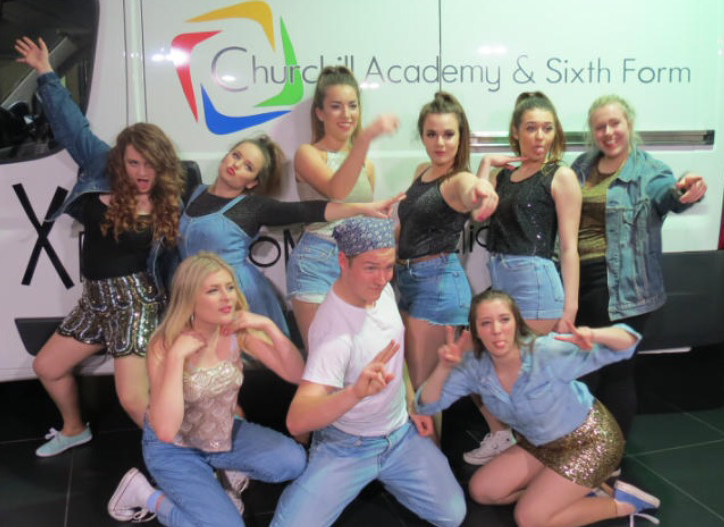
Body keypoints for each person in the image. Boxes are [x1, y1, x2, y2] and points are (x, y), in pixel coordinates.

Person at [15, 36, 183, 457]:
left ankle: (186, 463)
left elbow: (191, 253)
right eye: (134, 162)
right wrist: (45, 72)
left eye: (150, 164)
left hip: (135, 303)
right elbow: (73, 127)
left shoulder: (169, 200)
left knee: (132, 398)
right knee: (47, 366)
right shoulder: (101, 165)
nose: (141, 172)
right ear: (120, 160)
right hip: (95, 300)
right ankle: (74, 429)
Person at [272, 217, 466, 527]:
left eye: (388, 267)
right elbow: (297, 421)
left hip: (399, 436)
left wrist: (409, 403)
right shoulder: (333, 333)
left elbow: (394, 353)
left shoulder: (380, 291)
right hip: (348, 446)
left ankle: (391, 474)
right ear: (342, 261)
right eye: (371, 268)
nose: (382, 278)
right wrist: (354, 393)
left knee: (452, 515)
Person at [417, 290, 660, 527]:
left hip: (590, 441)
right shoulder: (475, 367)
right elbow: (427, 404)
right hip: (540, 444)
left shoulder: (544, 352)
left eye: (504, 319)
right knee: (482, 491)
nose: (497, 330)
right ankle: (566, 492)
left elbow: (628, 342)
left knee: (530, 518)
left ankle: (625, 504)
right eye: (486, 323)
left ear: (516, 322)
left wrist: (593, 334)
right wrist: (443, 368)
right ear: (476, 331)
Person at [107, 253, 306, 526]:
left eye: (229, 287)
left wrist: (268, 326)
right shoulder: (165, 343)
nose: (227, 297)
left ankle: (219, 478)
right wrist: (176, 358)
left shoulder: (236, 331)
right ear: (189, 299)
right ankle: (146, 496)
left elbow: (296, 374)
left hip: (221, 434)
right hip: (174, 449)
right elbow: (165, 429)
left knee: (293, 461)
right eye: (213, 290)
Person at [572, 94, 706, 442]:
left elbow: (669, 194)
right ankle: (588, 451)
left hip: (621, 287)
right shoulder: (581, 167)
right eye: (600, 127)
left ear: (629, 124)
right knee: (581, 369)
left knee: (614, 370)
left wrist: (685, 188)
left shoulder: (650, 171)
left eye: (614, 123)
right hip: (576, 281)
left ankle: (609, 454)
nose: (608, 132)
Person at [180, 133, 403, 338]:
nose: (236, 165)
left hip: (235, 295)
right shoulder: (195, 191)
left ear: (252, 182)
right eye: (236, 156)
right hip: (191, 291)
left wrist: (362, 208)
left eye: (248, 167)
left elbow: (308, 210)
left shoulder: (252, 207)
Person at [462, 92, 582, 465]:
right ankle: (506, 438)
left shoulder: (560, 175)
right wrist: (484, 167)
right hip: (502, 283)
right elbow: (477, 215)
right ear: (515, 132)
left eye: (547, 128)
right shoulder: (504, 177)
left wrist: (570, 308)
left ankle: (563, 456)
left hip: (536, 284)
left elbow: (569, 247)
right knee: (475, 362)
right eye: (531, 128)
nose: (539, 137)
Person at [396, 91, 497, 440]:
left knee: (422, 398)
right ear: (422, 136)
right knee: (426, 386)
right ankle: (500, 434)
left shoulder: (458, 180)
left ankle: (431, 465)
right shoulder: (421, 171)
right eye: (432, 134)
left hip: (437, 286)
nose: (440, 143)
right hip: (408, 282)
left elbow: (473, 191)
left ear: (461, 137)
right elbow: (405, 227)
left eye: (448, 134)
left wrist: (482, 192)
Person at [286, 66, 398, 350]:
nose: (346, 114)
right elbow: (337, 191)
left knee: (363, 354)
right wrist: (365, 138)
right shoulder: (307, 154)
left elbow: (362, 219)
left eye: (352, 105)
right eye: (336, 106)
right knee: (324, 358)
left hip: (356, 263)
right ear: (320, 113)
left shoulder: (366, 165)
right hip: (315, 262)